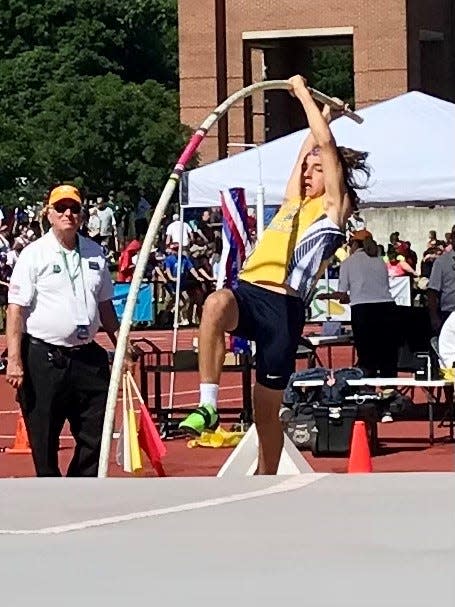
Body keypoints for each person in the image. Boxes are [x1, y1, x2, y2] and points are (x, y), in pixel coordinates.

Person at [179, 75, 370, 474]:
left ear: (331, 178)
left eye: (316, 171)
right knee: (215, 303)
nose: (306, 174)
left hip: (283, 311)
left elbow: (325, 150)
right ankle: (209, 404)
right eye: (305, 169)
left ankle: (266, 479)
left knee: (266, 410)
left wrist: (302, 95)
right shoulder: (291, 204)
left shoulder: (333, 210)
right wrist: (325, 113)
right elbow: (310, 148)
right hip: (249, 293)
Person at [5, 184, 136, 477]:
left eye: (74, 208)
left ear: (82, 214)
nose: (68, 213)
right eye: (61, 208)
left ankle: (81, 486)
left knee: (98, 431)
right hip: (44, 357)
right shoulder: (34, 254)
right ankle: (50, 492)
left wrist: (123, 345)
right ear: (48, 214)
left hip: (86, 357)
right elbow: (16, 309)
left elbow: (105, 308)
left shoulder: (95, 253)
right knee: (44, 438)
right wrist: (15, 359)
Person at [318, 230, 398, 421]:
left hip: (364, 311)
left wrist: (326, 296)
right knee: (387, 358)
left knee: (367, 358)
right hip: (387, 309)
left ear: (355, 244)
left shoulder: (348, 263)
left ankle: (368, 401)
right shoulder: (380, 261)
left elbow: (343, 294)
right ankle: (388, 405)